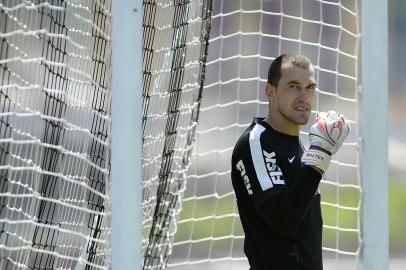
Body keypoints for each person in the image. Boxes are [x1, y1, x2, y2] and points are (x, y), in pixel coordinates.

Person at [231, 54, 350, 270]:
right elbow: (282, 220)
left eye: (310, 87)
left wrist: (317, 155)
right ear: (271, 91)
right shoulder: (256, 142)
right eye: (294, 86)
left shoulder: (302, 148)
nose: (304, 96)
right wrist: (320, 155)